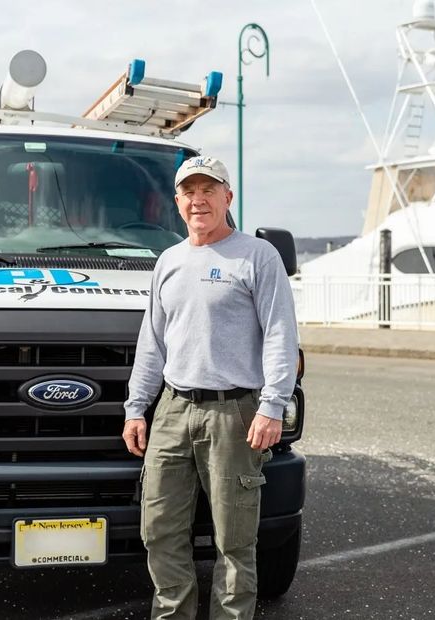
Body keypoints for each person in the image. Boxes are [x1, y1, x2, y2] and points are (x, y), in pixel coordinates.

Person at [122, 155, 298, 620]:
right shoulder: (169, 261)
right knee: (159, 528)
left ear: (227, 197)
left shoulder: (257, 256)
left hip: (234, 413)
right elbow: (153, 341)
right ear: (177, 202)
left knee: (235, 538)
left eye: (209, 190)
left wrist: (272, 406)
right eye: (189, 192)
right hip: (172, 410)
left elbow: (281, 333)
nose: (199, 200)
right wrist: (136, 407)